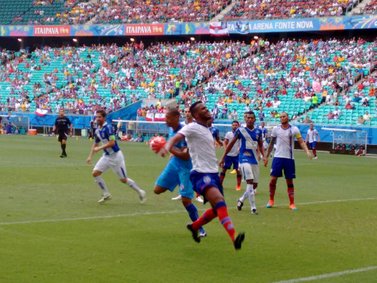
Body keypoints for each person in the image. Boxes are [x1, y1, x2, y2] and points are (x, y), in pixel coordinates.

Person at [161, 101, 245, 250]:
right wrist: (167, 146)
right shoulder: (192, 127)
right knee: (220, 202)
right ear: (196, 115)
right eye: (203, 109)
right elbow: (176, 137)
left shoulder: (208, 129)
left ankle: (194, 226)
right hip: (200, 173)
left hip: (213, 174)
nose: (207, 110)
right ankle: (234, 237)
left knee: (215, 210)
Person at [154, 108, 206, 237]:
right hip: (174, 165)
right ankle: (178, 183)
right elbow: (176, 151)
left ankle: (199, 228)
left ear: (176, 118)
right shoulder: (171, 129)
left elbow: (186, 156)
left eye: (168, 118)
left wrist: (168, 148)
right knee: (157, 189)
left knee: (186, 201)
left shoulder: (185, 133)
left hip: (186, 169)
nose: (166, 120)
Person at [86, 109, 146, 204]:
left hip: (116, 157)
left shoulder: (108, 128)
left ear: (104, 118)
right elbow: (95, 143)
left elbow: (112, 143)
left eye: (99, 117)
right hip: (106, 156)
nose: (97, 119)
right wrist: (90, 156)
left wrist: (100, 148)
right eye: (96, 117)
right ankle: (106, 194)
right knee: (95, 173)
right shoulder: (98, 130)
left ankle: (140, 191)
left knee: (123, 179)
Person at [263, 112, 312, 210]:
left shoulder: (294, 129)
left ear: (287, 117)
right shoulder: (276, 129)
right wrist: (266, 157)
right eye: (280, 117)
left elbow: (301, 141)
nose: (282, 118)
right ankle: (271, 200)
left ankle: (292, 203)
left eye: (284, 116)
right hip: (277, 158)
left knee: (289, 181)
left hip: (289, 159)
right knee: (273, 180)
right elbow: (271, 143)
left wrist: (307, 151)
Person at [220, 112, 264, 215]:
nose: (249, 119)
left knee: (254, 185)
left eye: (251, 118)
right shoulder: (240, 130)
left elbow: (261, 145)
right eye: (247, 118)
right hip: (244, 159)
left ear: (254, 119)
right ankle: (253, 208)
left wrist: (264, 155)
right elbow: (230, 144)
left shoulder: (258, 131)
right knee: (250, 181)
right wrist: (223, 157)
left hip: (254, 160)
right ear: (245, 119)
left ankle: (241, 199)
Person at [171, 107, 203, 203]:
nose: (187, 113)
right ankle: (183, 193)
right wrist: (174, 152)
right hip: (183, 154)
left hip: (194, 153)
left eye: (189, 111)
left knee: (196, 174)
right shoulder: (181, 126)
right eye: (185, 111)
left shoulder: (196, 125)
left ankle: (198, 195)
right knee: (181, 173)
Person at [219, 120, 242, 191]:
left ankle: (238, 185)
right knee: (224, 169)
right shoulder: (229, 134)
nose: (234, 126)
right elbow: (225, 142)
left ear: (238, 126)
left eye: (236, 125)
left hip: (237, 155)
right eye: (233, 125)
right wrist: (226, 149)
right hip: (228, 155)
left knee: (238, 170)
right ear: (231, 126)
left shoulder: (240, 134)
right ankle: (220, 184)